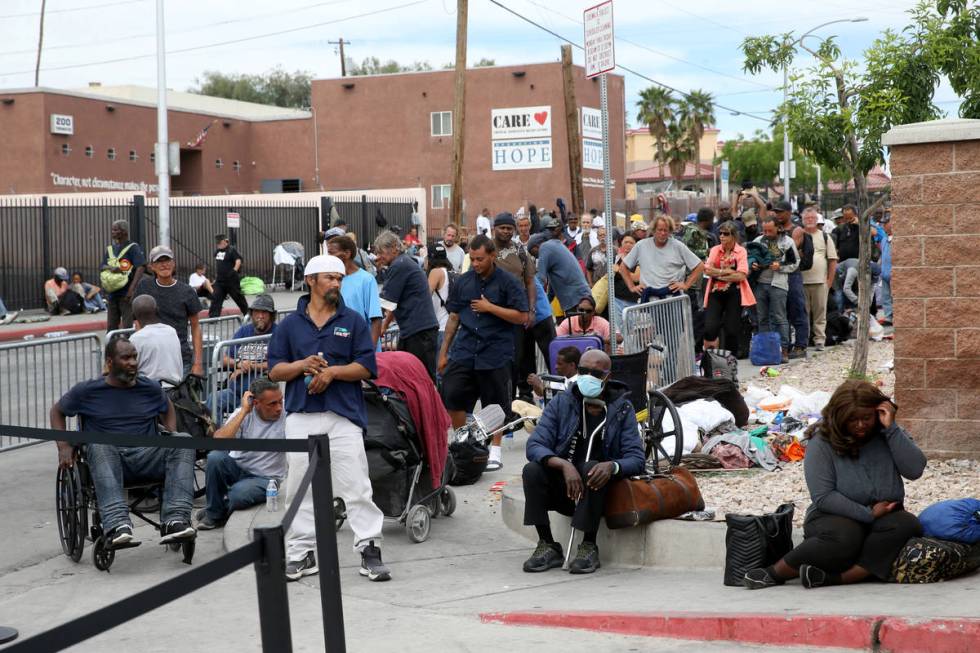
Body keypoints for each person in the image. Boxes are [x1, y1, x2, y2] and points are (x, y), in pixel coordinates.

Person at [267, 254, 390, 582]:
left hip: (343, 417)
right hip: (301, 415)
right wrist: (302, 366)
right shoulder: (289, 325)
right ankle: (301, 553)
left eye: (339, 278)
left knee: (357, 485)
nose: (336, 283)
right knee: (298, 489)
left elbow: (367, 366)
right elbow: (275, 368)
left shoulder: (353, 321)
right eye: (329, 278)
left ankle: (369, 549)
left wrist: (333, 372)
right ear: (310, 281)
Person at [744, 380, 925, 590]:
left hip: (885, 515)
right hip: (833, 516)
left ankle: (838, 578)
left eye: (866, 418)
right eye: (852, 420)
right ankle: (775, 572)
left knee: (907, 525)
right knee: (847, 537)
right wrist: (868, 514)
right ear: (839, 417)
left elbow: (914, 470)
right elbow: (823, 496)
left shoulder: (889, 434)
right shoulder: (821, 441)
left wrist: (892, 429)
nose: (860, 425)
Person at [51, 335, 195, 548]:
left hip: (147, 457)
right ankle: (117, 525)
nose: (133, 363)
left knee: (183, 441)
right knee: (99, 444)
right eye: (126, 358)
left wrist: (172, 433)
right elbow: (57, 411)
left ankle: (175, 520)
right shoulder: (88, 391)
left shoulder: (150, 388)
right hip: (108, 460)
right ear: (110, 363)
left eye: (135, 357)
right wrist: (63, 446)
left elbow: (168, 408)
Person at [521, 349, 645, 574]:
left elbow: (636, 459)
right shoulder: (562, 402)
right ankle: (547, 544)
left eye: (595, 373)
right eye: (582, 371)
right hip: (565, 487)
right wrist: (563, 465)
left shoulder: (621, 408)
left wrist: (612, 466)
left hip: (598, 490)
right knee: (532, 470)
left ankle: (589, 545)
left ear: (607, 377)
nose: (587, 376)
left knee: (592, 467)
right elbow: (535, 445)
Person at [438, 235, 529, 472]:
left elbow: (522, 316)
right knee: (453, 394)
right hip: (465, 350)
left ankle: (494, 450)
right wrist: (443, 352)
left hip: (495, 350)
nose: (476, 263)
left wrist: (491, 308)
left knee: (496, 403)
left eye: (480, 259)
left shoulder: (508, 283)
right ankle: (462, 443)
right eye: (473, 259)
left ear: (491, 256)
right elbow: (454, 317)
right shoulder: (463, 281)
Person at [197, 377, 287, 530]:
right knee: (214, 458)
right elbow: (219, 440)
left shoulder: (287, 413)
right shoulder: (244, 412)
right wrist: (245, 411)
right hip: (238, 468)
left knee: (238, 495)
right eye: (272, 404)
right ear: (256, 403)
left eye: (280, 401)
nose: (279, 407)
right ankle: (216, 511)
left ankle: (215, 510)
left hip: (266, 478)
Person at [374, 230, 440, 381]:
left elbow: (386, 303)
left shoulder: (399, 265)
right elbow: (394, 302)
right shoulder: (404, 262)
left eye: (381, 252)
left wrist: (372, 325)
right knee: (410, 376)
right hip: (416, 330)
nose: (379, 257)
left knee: (421, 378)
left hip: (418, 331)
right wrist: (384, 326)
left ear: (395, 248)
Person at [134, 245, 204, 377]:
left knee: (179, 397)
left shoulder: (187, 291)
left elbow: (196, 327)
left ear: (173, 264)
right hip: (150, 358)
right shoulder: (144, 287)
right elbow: (138, 323)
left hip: (180, 358)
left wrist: (198, 364)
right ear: (152, 267)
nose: (164, 265)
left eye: (167, 260)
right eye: (159, 261)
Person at [491, 212, 539, 403]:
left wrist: (531, 310)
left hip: (518, 313)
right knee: (499, 359)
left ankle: (522, 399)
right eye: (502, 227)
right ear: (495, 228)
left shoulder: (520, 250)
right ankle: (501, 400)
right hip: (494, 314)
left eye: (509, 228)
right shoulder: (486, 249)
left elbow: (530, 281)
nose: (506, 231)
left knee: (519, 357)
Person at [211, 293, 279, 417]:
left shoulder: (277, 333)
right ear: (251, 314)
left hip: (260, 395)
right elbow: (224, 360)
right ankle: (217, 434)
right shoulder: (244, 331)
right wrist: (239, 364)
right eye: (256, 312)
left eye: (264, 312)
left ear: (272, 315)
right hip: (235, 392)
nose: (260, 316)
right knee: (214, 400)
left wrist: (251, 366)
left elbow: (278, 364)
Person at [619, 216, 704, 304]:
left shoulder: (678, 246)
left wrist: (686, 285)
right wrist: (632, 287)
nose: (662, 233)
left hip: (673, 299)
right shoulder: (641, 246)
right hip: (649, 299)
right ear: (654, 230)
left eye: (665, 230)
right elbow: (623, 267)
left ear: (670, 231)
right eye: (659, 230)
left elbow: (700, 266)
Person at [752, 218, 800, 364]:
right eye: (764, 230)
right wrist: (753, 264)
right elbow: (750, 256)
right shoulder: (758, 241)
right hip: (760, 283)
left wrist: (780, 267)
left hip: (778, 284)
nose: (766, 233)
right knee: (762, 318)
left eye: (770, 231)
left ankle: (784, 350)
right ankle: (766, 351)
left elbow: (795, 262)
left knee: (779, 318)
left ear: (778, 228)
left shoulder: (787, 242)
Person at [702, 221, 755, 352]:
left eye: (726, 234)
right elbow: (707, 270)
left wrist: (717, 273)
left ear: (733, 236)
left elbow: (742, 275)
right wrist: (727, 272)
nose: (722, 236)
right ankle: (711, 355)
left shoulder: (740, 251)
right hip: (715, 291)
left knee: (731, 329)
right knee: (710, 328)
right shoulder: (715, 250)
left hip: (734, 293)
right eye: (720, 233)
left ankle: (730, 358)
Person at [327, 236, 383, 347]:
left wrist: (369, 352)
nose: (328, 257)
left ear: (347, 254)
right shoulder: (331, 281)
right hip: (340, 348)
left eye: (331, 253)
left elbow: (376, 319)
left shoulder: (366, 280)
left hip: (362, 348)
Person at [773, 200, 809, 359]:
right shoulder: (775, 229)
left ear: (789, 212)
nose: (778, 215)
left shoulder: (797, 229)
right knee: (782, 312)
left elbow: (787, 251)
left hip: (792, 274)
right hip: (778, 274)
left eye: (780, 212)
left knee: (797, 309)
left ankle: (801, 345)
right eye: (776, 212)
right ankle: (785, 346)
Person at [534, 217, 592, 314]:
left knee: (575, 327)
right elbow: (553, 283)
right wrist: (547, 302)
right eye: (550, 229)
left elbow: (540, 279)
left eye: (532, 252)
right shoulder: (557, 245)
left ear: (536, 247)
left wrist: (533, 303)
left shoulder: (545, 247)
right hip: (582, 297)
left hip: (576, 299)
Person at [801, 207, 838, 351]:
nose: (810, 220)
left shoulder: (824, 236)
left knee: (820, 313)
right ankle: (803, 341)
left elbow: (832, 260)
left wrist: (829, 281)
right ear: (803, 221)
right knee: (803, 313)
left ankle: (819, 340)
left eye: (812, 218)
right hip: (802, 281)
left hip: (820, 282)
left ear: (817, 220)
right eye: (807, 218)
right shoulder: (799, 235)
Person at [129, 294, 183, 384]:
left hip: (149, 392)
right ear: (157, 310)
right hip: (176, 388)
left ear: (134, 316)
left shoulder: (135, 339)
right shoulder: (171, 331)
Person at [102, 220, 146, 331]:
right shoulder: (110, 249)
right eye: (112, 229)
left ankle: (128, 346)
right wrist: (111, 268)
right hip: (112, 294)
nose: (113, 232)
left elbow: (141, 267)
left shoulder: (133, 247)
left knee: (127, 326)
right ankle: (112, 347)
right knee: (111, 327)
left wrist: (131, 289)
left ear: (124, 232)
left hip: (126, 294)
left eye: (116, 229)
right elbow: (102, 266)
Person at [427, 243, 454, 350]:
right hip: (455, 328)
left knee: (439, 365)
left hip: (441, 329)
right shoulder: (453, 272)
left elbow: (425, 298)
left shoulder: (436, 272)